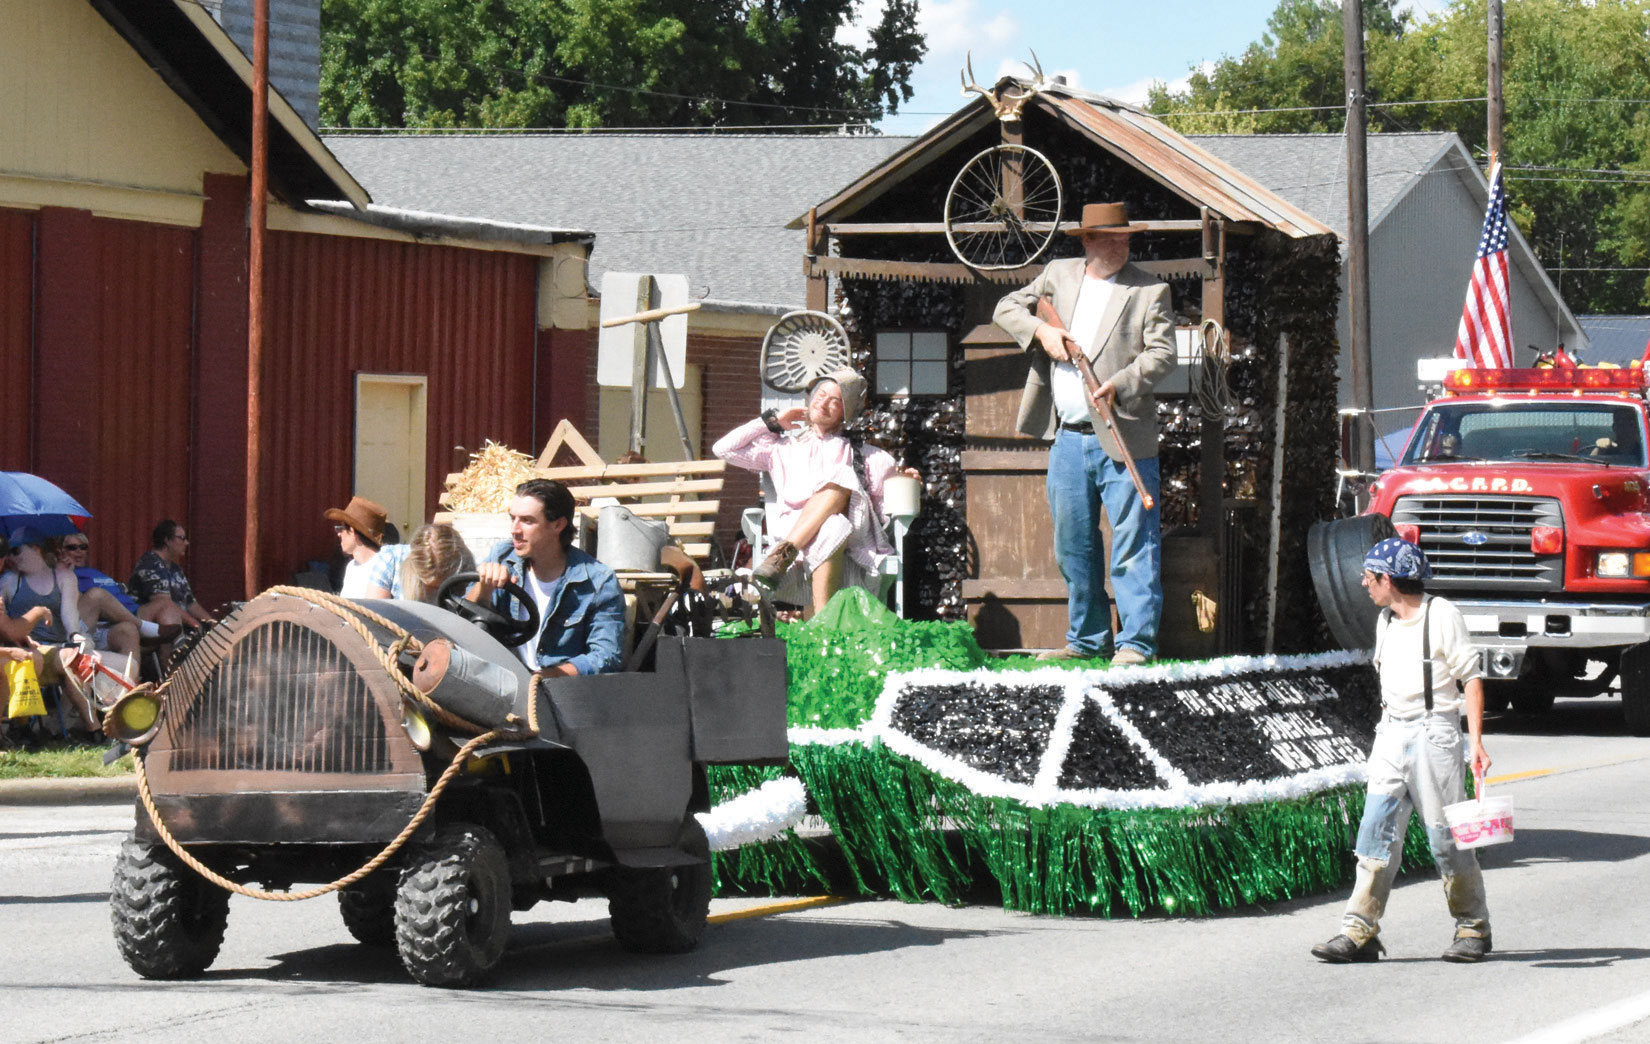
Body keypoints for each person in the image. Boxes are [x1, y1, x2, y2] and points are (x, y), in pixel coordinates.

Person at [993, 201, 1175, 665]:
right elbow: (1006, 306)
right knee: (1073, 545)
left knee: (1135, 543)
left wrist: (1122, 384)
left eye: (1126, 237)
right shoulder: (1059, 274)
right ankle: (1088, 641)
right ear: (1088, 241)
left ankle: (1135, 643)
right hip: (1068, 439)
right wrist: (1041, 332)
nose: (1122, 244)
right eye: (1112, 237)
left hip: (1124, 436)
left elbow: (1162, 355)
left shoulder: (1150, 290)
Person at [1311, 537, 1492, 964]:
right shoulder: (1385, 620)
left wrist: (1478, 742)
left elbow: (1472, 679)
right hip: (1391, 733)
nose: (1363, 583)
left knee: (1447, 840)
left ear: (1388, 580)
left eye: (1369, 577)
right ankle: (1358, 931)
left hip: (1435, 734)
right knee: (1374, 833)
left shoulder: (1441, 615)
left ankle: (1473, 929)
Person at [714, 368, 917, 615]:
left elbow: (883, 511)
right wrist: (772, 421)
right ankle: (822, 626)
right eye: (821, 394)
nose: (824, 403)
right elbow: (723, 449)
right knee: (830, 525)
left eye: (835, 401)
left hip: (854, 530)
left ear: (846, 413)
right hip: (802, 529)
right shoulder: (780, 449)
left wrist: (906, 482)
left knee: (841, 476)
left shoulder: (868, 456)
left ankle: (778, 557)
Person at [470, 479, 625, 675]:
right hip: (501, 680)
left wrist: (543, 678)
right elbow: (461, 621)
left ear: (558, 524)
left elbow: (606, 657)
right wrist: (484, 589)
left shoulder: (599, 582)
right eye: (513, 518)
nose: (514, 530)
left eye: (527, 521)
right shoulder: (502, 556)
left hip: (562, 694)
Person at [54, 534, 177, 655]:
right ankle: (144, 628)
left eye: (83, 547)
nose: (79, 552)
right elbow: (72, 605)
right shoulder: (65, 574)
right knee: (97, 595)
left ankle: (178, 649)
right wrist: (68, 572)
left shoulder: (93, 572)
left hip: (132, 611)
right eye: (72, 548)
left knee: (165, 604)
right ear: (62, 551)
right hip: (103, 622)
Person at [129, 519, 216, 630]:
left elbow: (191, 604)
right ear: (167, 540)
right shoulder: (150, 563)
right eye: (182, 538)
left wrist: (212, 624)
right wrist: (194, 623)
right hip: (152, 626)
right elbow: (164, 604)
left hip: (179, 622)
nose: (186, 543)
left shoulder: (176, 569)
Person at [363, 522, 475, 602]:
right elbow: (374, 614)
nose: (432, 595)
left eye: (438, 588)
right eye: (427, 586)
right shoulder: (391, 559)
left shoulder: (466, 570)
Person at [324, 496, 388, 598]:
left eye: (341, 529)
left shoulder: (384, 567)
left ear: (352, 532)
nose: (339, 534)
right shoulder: (351, 566)